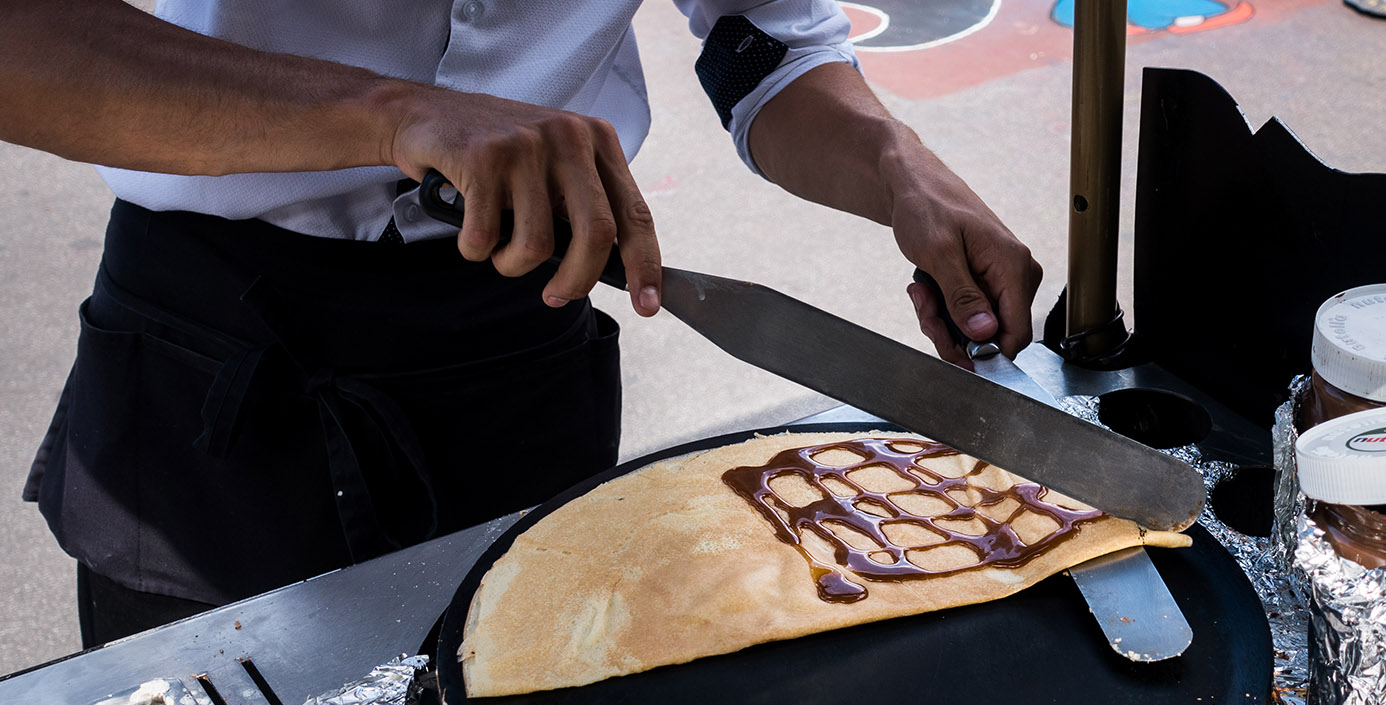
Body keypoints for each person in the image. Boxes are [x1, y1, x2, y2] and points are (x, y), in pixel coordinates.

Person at [1, 0, 1043, 647]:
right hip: (221, 369)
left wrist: (897, 168)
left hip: (517, 342)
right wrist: (394, 114)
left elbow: (761, 43)